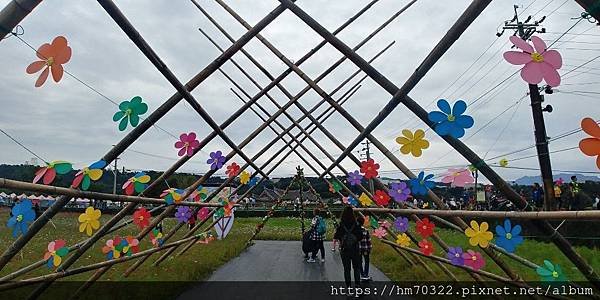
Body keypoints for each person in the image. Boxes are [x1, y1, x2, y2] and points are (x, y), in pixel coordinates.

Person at [333, 206, 362, 288]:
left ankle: (348, 287)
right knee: (356, 268)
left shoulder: (341, 224)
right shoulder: (355, 224)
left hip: (345, 249)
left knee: (347, 269)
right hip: (355, 249)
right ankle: (357, 285)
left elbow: (336, 236)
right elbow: (360, 236)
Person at [356, 215, 372, 281]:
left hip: (358, 249)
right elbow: (369, 241)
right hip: (365, 249)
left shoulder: (355, 231)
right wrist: (370, 248)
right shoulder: (365, 230)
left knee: (359, 262)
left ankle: (362, 275)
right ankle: (366, 275)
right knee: (366, 261)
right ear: (363, 222)